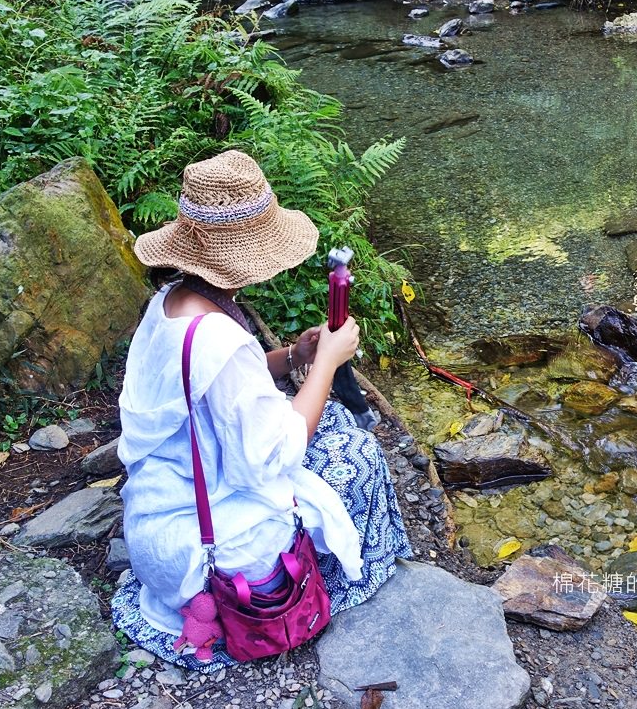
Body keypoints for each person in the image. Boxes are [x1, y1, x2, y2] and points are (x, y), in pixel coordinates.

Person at [111, 150, 413, 668]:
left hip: (156, 526)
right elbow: (268, 458)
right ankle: (349, 573)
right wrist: (326, 365)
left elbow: (208, 387)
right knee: (356, 453)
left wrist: (293, 357)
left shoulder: (171, 303)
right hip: (212, 561)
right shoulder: (218, 340)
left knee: (330, 424)